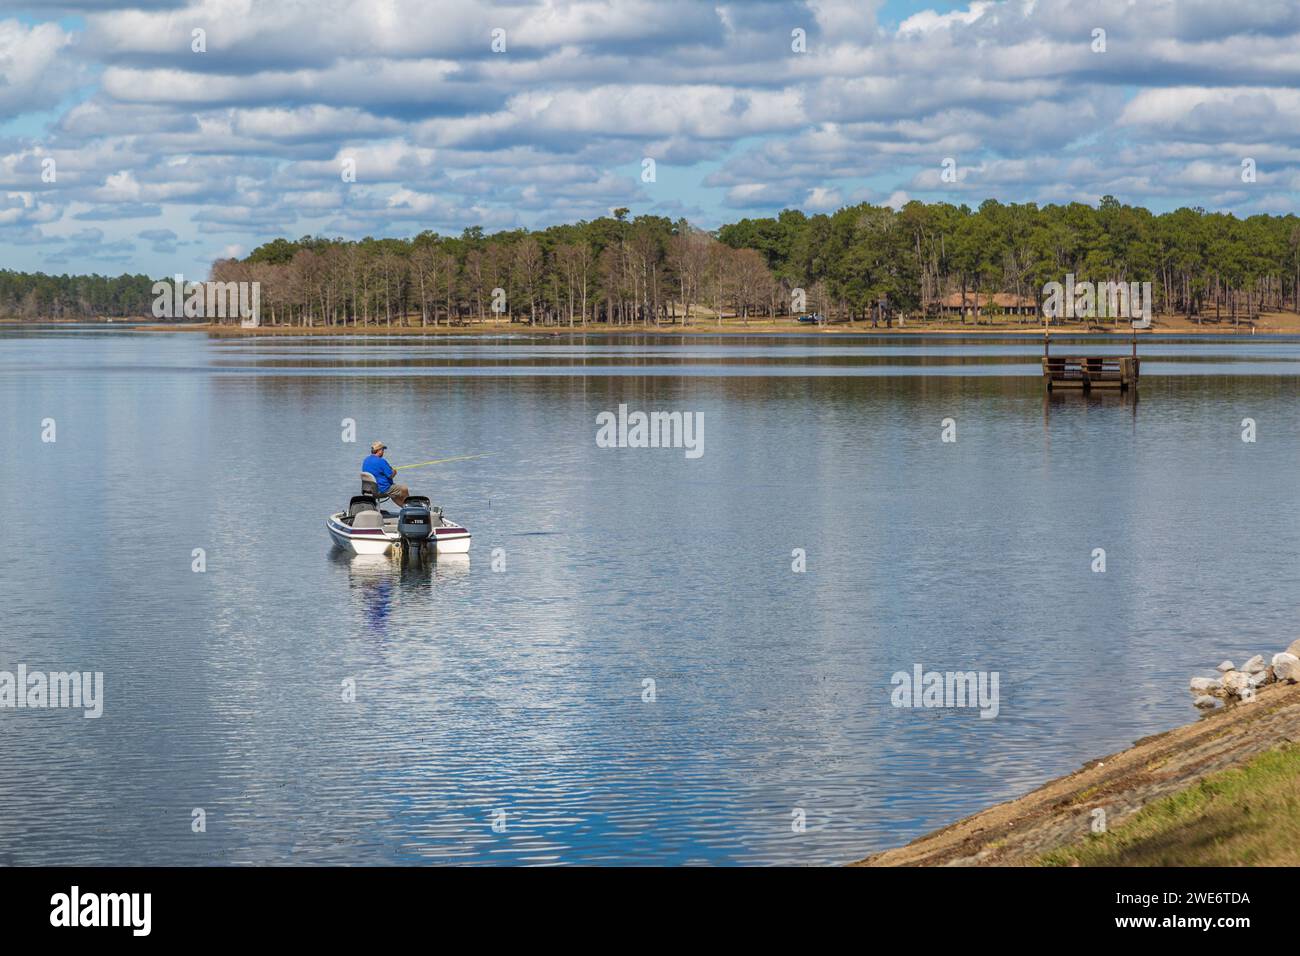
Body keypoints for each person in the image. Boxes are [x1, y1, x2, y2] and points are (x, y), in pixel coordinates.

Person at [361, 441, 409, 506]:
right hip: (382, 489)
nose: (383, 452)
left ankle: (404, 507)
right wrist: (394, 471)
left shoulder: (366, 460)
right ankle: (409, 507)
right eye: (383, 450)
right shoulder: (381, 461)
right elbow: (390, 475)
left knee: (393, 492)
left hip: (368, 490)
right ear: (379, 451)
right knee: (404, 489)